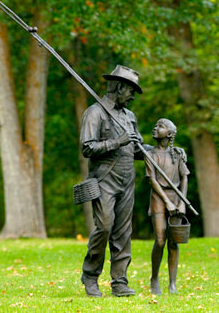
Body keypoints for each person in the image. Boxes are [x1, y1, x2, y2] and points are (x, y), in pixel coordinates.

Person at [79, 65, 145, 297]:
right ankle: (90, 276)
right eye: (131, 91)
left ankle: (119, 281)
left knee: (123, 232)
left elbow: (136, 151)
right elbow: (87, 148)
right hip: (104, 179)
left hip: (127, 180)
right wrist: (118, 141)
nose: (133, 96)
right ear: (119, 87)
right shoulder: (94, 113)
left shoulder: (130, 117)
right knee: (105, 227)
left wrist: (160, 150)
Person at [145, 118, 189, 295]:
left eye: (161, 127)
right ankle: (154, 278)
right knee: (160, 239)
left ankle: (172, 283)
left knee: (174, 241)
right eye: (155, 125)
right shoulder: (150, 154)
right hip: (158, 198)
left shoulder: (177, 155)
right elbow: (152, 180)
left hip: (176, 197)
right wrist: (167, 202)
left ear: (170, 134)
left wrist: (181, 202)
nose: (156, 128)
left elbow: (184, 177)